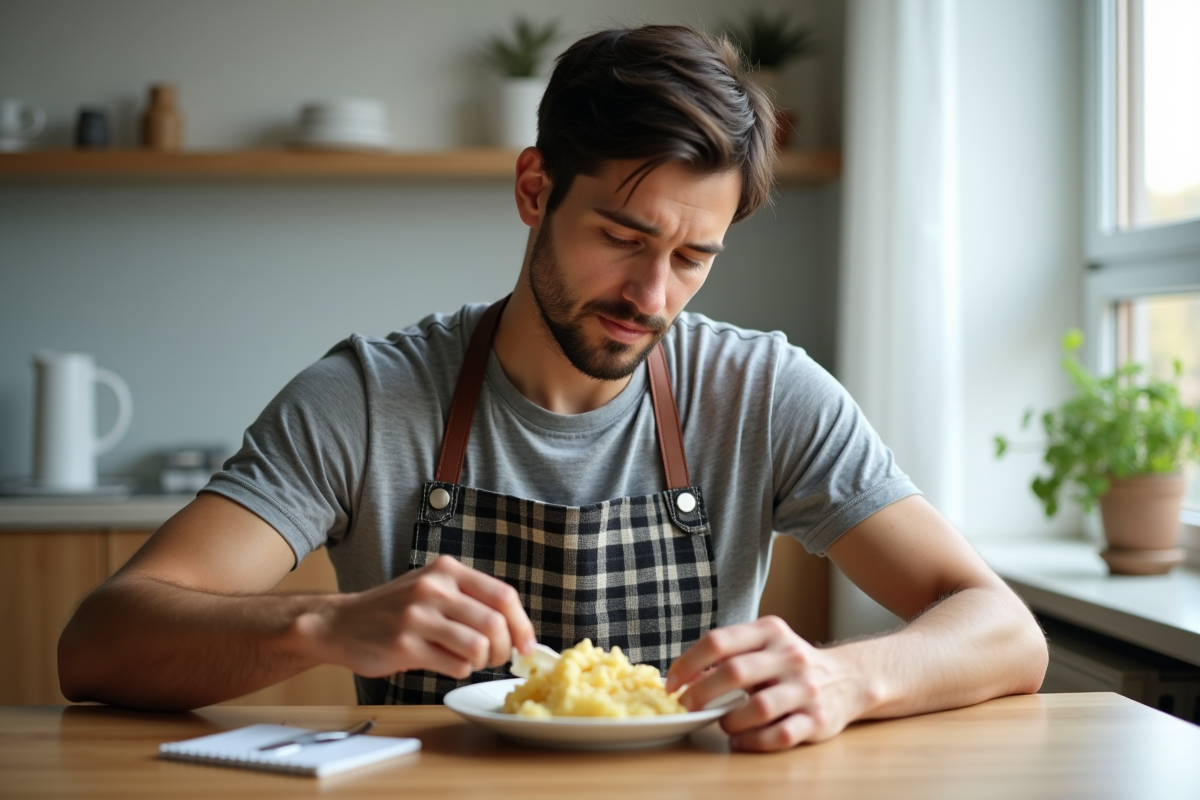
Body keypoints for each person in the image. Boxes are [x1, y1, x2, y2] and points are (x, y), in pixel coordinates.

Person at [58, 24, 1047, 752]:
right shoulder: (366, 396)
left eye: (694, 256)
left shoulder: (763, 390)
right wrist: (320, 623)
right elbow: (100, 644)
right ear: (535, 189)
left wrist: (845, 675)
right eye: (622, 237)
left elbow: (1003, 627)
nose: (651, 295)